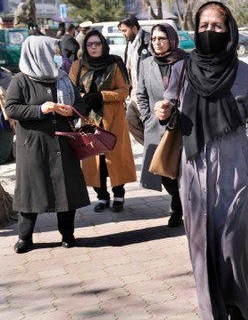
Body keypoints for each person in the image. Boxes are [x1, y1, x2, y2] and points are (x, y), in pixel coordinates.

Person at [154, 1, 248, 320]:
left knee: (231, 244)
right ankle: (213, 315)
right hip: (194, 171)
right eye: (204, 26)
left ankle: (237, 309)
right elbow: (172, 119)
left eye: (217, 26)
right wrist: (163, 115)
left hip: (233, 172)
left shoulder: (245, 74)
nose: (210, 32)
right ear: (194, 30)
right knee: (200, 244)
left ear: (229, 31)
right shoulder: (182, 70)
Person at [5, 36, 89, 253]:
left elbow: (79, 102)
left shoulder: (62, 77)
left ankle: (67, 234)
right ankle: (25, 237)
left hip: (63, 142)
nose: (57, 54)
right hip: (33, 145)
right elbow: (12, 108)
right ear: (37, 53)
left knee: (65, 190)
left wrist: (71, 110)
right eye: (52, 50)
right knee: (31, 192)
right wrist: (39, 110)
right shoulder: (21, 80)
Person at [70, 30, 136, 213]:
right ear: (85, 46)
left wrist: (102, 95)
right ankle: (102, 197)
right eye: (90, 44)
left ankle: (119, 195)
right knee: (94, 158)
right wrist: (86, 97)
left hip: (113, 117)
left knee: (115, 158)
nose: (93, 47)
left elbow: (124, 91)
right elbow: (70, 91)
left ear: (103, 45)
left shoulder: (114, 64)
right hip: (88, 119)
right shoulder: (78, 65)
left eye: (97, 44)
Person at [136, 23, 186, 228]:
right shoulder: (146, 64)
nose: (156, 42)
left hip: (182, 126)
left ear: (171, 40)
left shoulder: (185, 61)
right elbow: (141, 94)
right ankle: (178, 200)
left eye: (161, 38)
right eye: (153, 39)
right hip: (156, 126)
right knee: (161, 170)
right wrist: (148, 117)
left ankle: (179, 208)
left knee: (182, 169)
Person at [119, 15, 151, 145]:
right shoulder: (130, 44)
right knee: (131, 121)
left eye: (124, 30)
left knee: (150, 126)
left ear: (134, 28)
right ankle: (152, 147)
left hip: (147, 95)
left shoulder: (148, 41)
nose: (123, 34)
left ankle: (156, 151)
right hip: (134, 95)